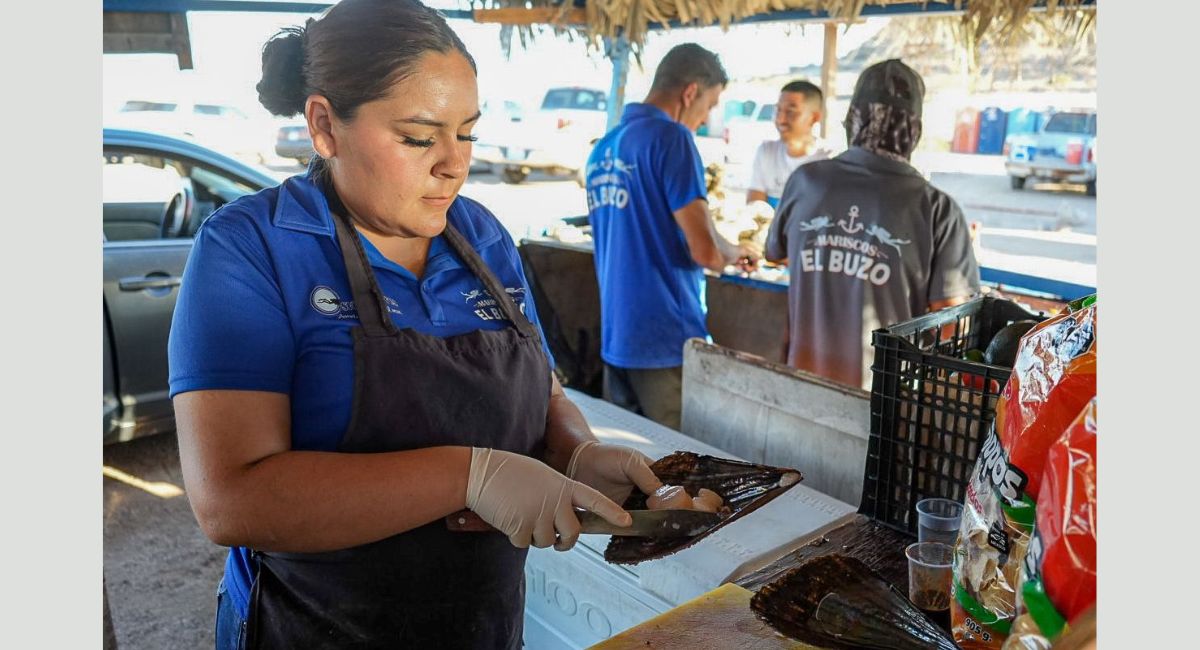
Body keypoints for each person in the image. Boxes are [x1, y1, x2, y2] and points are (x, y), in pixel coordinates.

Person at [167, 2, 662, 648]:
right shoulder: (253, 249)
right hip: (313, 628)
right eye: (420, 137)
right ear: (324, 126)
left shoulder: (482, 237)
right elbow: (233, 499)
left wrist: (578, 453)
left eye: (468, 133)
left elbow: (540, 392)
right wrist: (469, 476)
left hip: (479, 628)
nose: (454, 164)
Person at [765, 59, 981, 390]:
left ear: (852, 119)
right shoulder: (936, 208)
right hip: (881, 408)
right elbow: (953, 322)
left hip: (800, 389)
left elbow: (778, 254)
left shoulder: (805, 182)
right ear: (914, 130)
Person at [585, 43, 759, 430]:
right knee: (679, 470)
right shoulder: (672, 139)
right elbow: (704, 251)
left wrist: (732, 249)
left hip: (618, 338)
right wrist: (724, 255)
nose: (706, 117)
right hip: (665, 339)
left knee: (628, 466)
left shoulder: (604, 148)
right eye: (711, 104)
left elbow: (669, 229)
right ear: (691, 92)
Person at [745, 80, 832, 209]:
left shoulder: (829, 161)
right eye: (778, 110)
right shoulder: (767, 152)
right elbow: (755, 208)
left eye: (791, 112)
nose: (780, 119)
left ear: (814, 117)